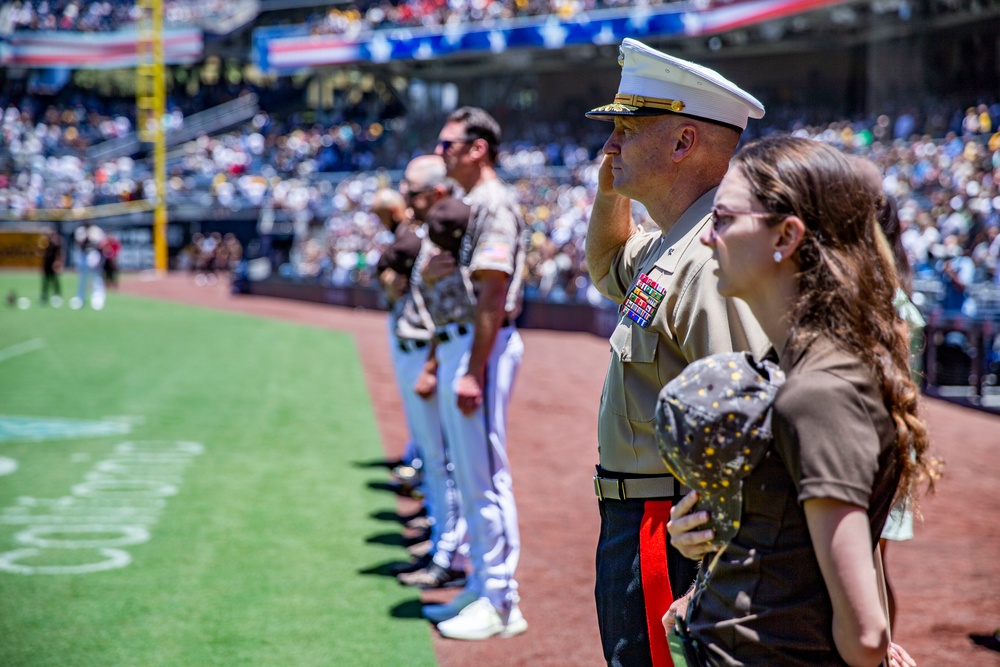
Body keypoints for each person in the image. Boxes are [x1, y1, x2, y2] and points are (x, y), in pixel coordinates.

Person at [665, 135, 933, 666]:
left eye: (721, 218)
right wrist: (711, 541)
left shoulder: (819, 391)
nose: (705, 239)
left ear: (786, 236)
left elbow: (865, 635)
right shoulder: (790, 365)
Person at [584, 38, 770, 667]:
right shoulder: (674, 240)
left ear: (684, 143)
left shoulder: (707, 257)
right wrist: (614, 182)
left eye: (625, 130)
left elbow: (747, 411)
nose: (609, 146)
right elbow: (608, 263)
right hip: (642, 522)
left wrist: (718, 549)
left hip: (670, 528)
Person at [417, 106, 528, 640]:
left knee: (484, 475)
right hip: (469, 343)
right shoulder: (471, 202)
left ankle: (502, 601)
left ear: (477, 148)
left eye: (449, 145)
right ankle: (484, 585)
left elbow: (493, 293)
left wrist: (473, 371)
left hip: (483, 345)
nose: (442, 154)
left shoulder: (492, 202)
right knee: (472, 473)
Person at [384, 158, 470, 591]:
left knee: (443, 461)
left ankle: (448, 554)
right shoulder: (421, 232)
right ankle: (442, 542)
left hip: (432, 352)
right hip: (422, 347)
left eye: (413, 192)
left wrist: (433, 365)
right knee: (438, 462)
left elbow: (452, 312)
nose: (406, 199)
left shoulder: (444, 231)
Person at [72, 220, 106, 310]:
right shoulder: (80, 231)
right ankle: (80, 298)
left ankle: (98, 299)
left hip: (93, 254)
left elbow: (101, 244)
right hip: (83, 255)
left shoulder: (96, 230)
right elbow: (79, 243)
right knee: (82, 278)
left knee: (96, 278)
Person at [38, 227, 63, 307]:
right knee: (45, 281)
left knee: (54, 280)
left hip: (53, 263)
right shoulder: (44, 242)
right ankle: (44, 296)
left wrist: (58, 262)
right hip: (46, 263)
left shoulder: (55, 242)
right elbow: (40, 252)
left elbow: (58, 253)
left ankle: (57, 295)